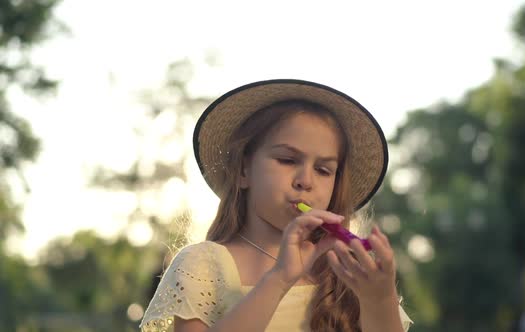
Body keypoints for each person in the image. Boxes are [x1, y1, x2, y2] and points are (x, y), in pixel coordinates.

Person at [140, 79, 413, 332]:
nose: (305, 181)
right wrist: (280, 278)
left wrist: (381, 299)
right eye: (287, 160)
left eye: (323, 169)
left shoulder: (347, 272)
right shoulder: (203, 264)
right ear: (243, 170)